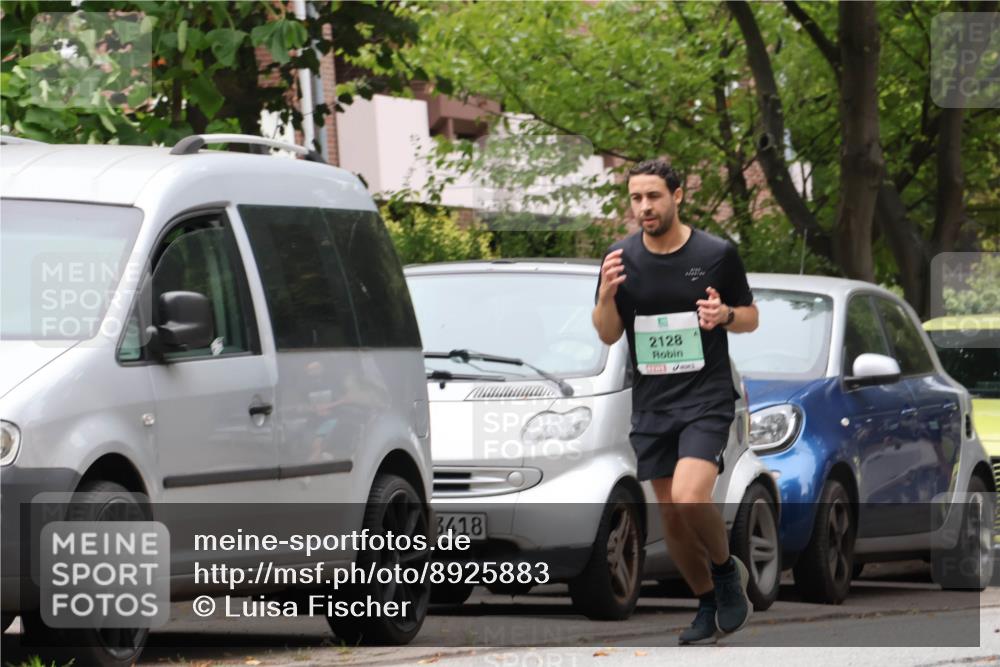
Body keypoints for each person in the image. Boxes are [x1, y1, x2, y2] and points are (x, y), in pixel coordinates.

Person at [592, 159, 759, 645]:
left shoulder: (716, 253)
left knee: (690, 495)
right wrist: (605, 296)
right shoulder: (619, 259)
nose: (644, 207)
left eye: (653, 197)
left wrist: (724, 313)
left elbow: (751, 318)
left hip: (705, 397)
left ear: (677, 196)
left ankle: (727, 572)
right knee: (671, 516)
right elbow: (608, 333)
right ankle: (708, 601)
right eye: (636, 198)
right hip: (653, 403)